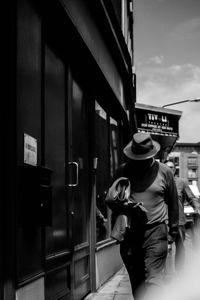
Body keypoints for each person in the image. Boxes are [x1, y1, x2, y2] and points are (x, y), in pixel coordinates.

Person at [106, 132, 179, 300]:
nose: (140, 162)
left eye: (144, 158)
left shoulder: (164, 171)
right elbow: (112, 199)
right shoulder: (122, 171)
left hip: (156, 232)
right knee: (137, 283)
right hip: (131, 234)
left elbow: (174, 202)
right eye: (137, 158)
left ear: (151, 155)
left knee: (154, 281)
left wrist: (172, 231)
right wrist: (125, 206)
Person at [165, 160, 200, 271]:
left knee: (180, 249)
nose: (169, 169)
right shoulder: (161, 182)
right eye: (167, 167)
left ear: (175, 169)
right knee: (164, 249)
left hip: (179, 221)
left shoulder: (182, 182)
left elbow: (191, 197)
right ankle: (167, 275)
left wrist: (197, 207)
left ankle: (180, 272)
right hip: (164, 221)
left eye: (171, 167)